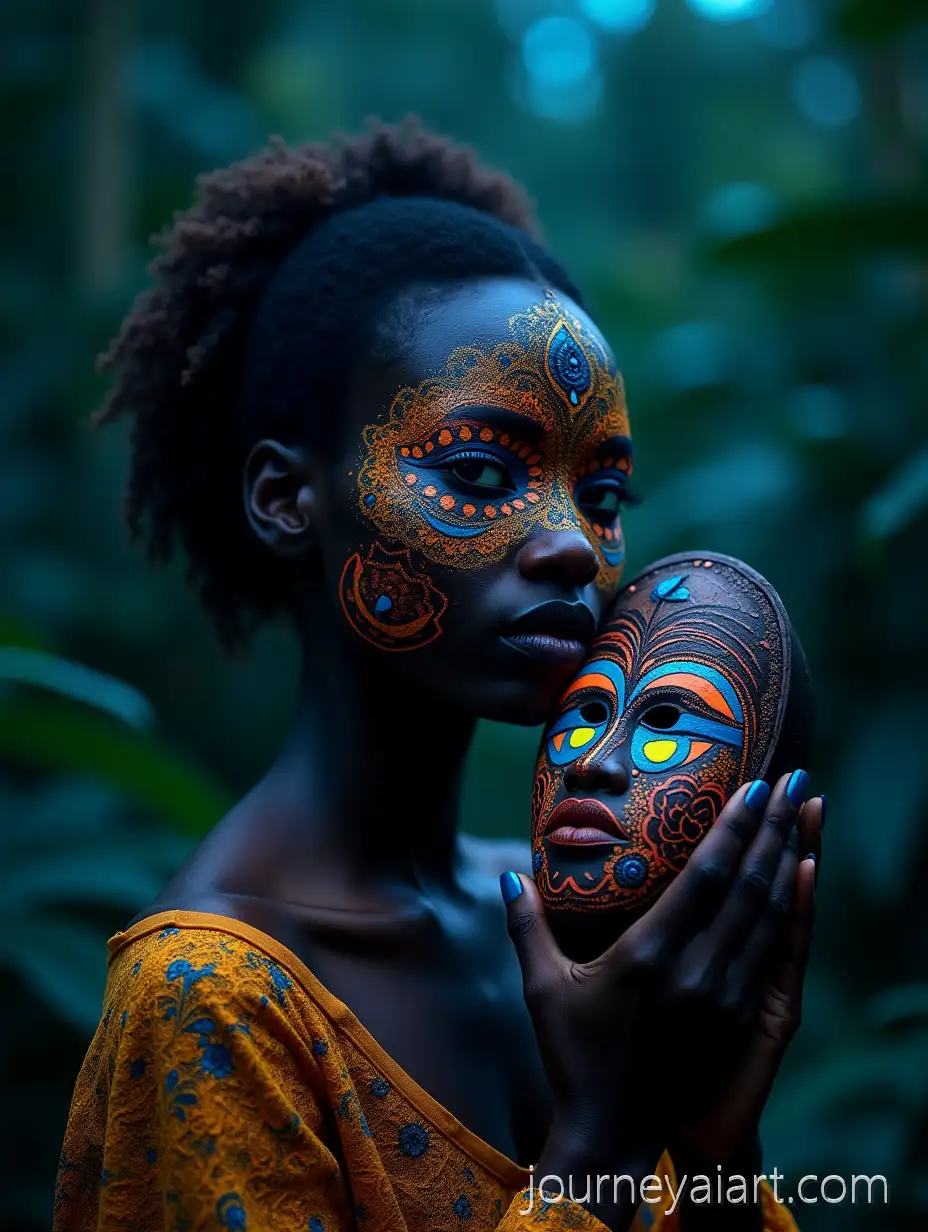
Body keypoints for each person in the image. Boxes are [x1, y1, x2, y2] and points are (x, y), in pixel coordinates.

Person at [53, 118, 821, 1232]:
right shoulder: (210, 1006)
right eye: (476, 470)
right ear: (285, 498)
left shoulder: (577, 917)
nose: (571, 544)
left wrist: (713, 1152)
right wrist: (599, 1144)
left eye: (601, 495)